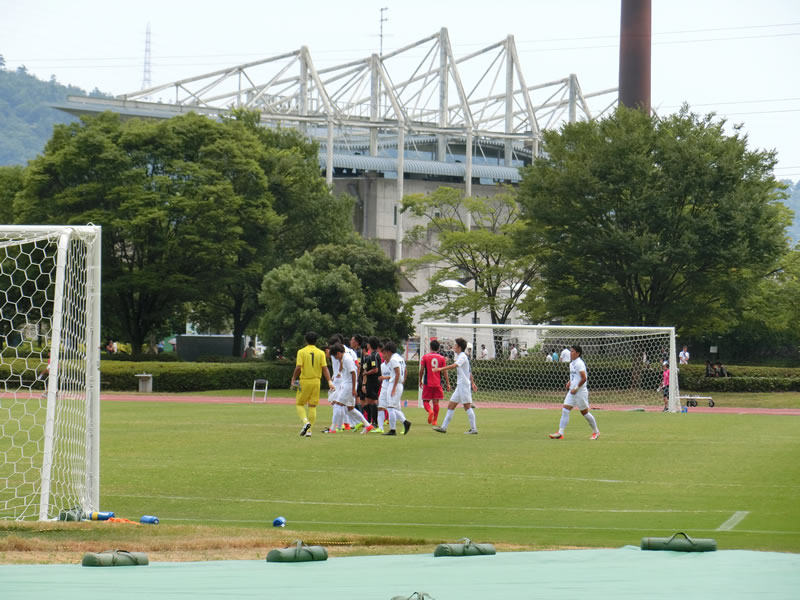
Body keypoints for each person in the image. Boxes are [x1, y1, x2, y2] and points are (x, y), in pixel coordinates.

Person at [549, 344, 599, 440]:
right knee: (565, 410)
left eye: (572, 351)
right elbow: (575, 377)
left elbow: (584, 378)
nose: (570, 353)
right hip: (572, 392)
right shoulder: (571, 363)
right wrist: (569, 382)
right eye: (570, 351)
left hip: (580, 392)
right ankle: (560, 433)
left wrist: (576, 388)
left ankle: (596, 432)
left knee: (585, 413)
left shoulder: (579, 363)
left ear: (578, 353)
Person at [290, 331, 335, 437]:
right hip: (316, 381)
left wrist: (293, 378)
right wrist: (329, 381)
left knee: (299, 403)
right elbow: (325, 368)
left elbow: (298, 367)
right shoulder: (321, 353)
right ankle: (309, 431)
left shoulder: (301, 352)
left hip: (304, 381)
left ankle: (305, 422)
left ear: (306, 340)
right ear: (316, 340)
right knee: (312, 406)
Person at [432, 337, 478, 434]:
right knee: (451, 406)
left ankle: (474, 429)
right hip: (460, 385)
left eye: (455, 345)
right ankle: (443, 427)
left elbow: (454, 366)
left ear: (459, 347)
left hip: (464, 386)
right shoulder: (461, 356)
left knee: (467, 407)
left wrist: (440, 369)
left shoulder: (462, 356)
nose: (454, 346)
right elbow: (468, 372)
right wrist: (473, 383)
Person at [329, 343, 374, 434]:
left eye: (335, 356)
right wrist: (339, 372)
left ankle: (333, 428)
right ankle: (367, 425)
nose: (336, 358)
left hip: (349, 385)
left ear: (338, 353)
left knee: (337, 405)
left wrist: (353, 389)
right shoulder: (344, 358)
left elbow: (353, 373)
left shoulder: (347, 359)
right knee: (350, 409)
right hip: (347, 384)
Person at [379, 341, 411, 436]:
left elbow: (397, 373)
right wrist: (403, 381)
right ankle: (404, 422)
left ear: (389, 351)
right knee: (393, 407)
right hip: (398, 384)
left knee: (390, 407)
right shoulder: (400, 358)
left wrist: (394, 388)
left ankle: (393, 429)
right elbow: (405, 371)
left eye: (385, 352)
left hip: (394, 384)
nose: (384, 354)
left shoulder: (393, 359)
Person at [420, 339, 451, 426]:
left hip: (427, 383)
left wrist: (420, 380)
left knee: (425, 401)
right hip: (437, 383)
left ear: (430, 347)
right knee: (436, 402)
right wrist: (448, 383)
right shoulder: (442, 358)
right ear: (438, 348)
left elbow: (421, 370)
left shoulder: (425, 357)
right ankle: (435, 420)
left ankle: (430, 411)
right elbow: (445, 371)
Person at [361, 336, 382, 427]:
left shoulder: (374, 355)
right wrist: (364, 383)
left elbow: (375, 369)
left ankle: (375, 422)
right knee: (367, 401)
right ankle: (369, 421)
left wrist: (366, 373)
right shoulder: (368, 356)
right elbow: (365, 369)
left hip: (374, 380)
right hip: (369, 381)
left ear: (370, 345)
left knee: (372, 401)